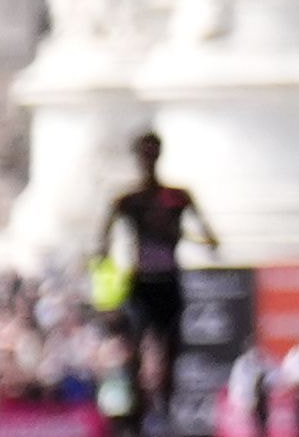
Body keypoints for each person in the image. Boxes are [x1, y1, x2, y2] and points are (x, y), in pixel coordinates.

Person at [99, 131, 219, 432]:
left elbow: (210, 239)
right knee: (135, 352)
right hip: (142, 281)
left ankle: (163, 411)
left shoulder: (176, 198)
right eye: (144, 154)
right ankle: (137, 413)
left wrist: (177, 234)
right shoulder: (129, 201)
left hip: (167, 281)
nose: (148, 160)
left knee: (170, 351)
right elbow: (102, 244)